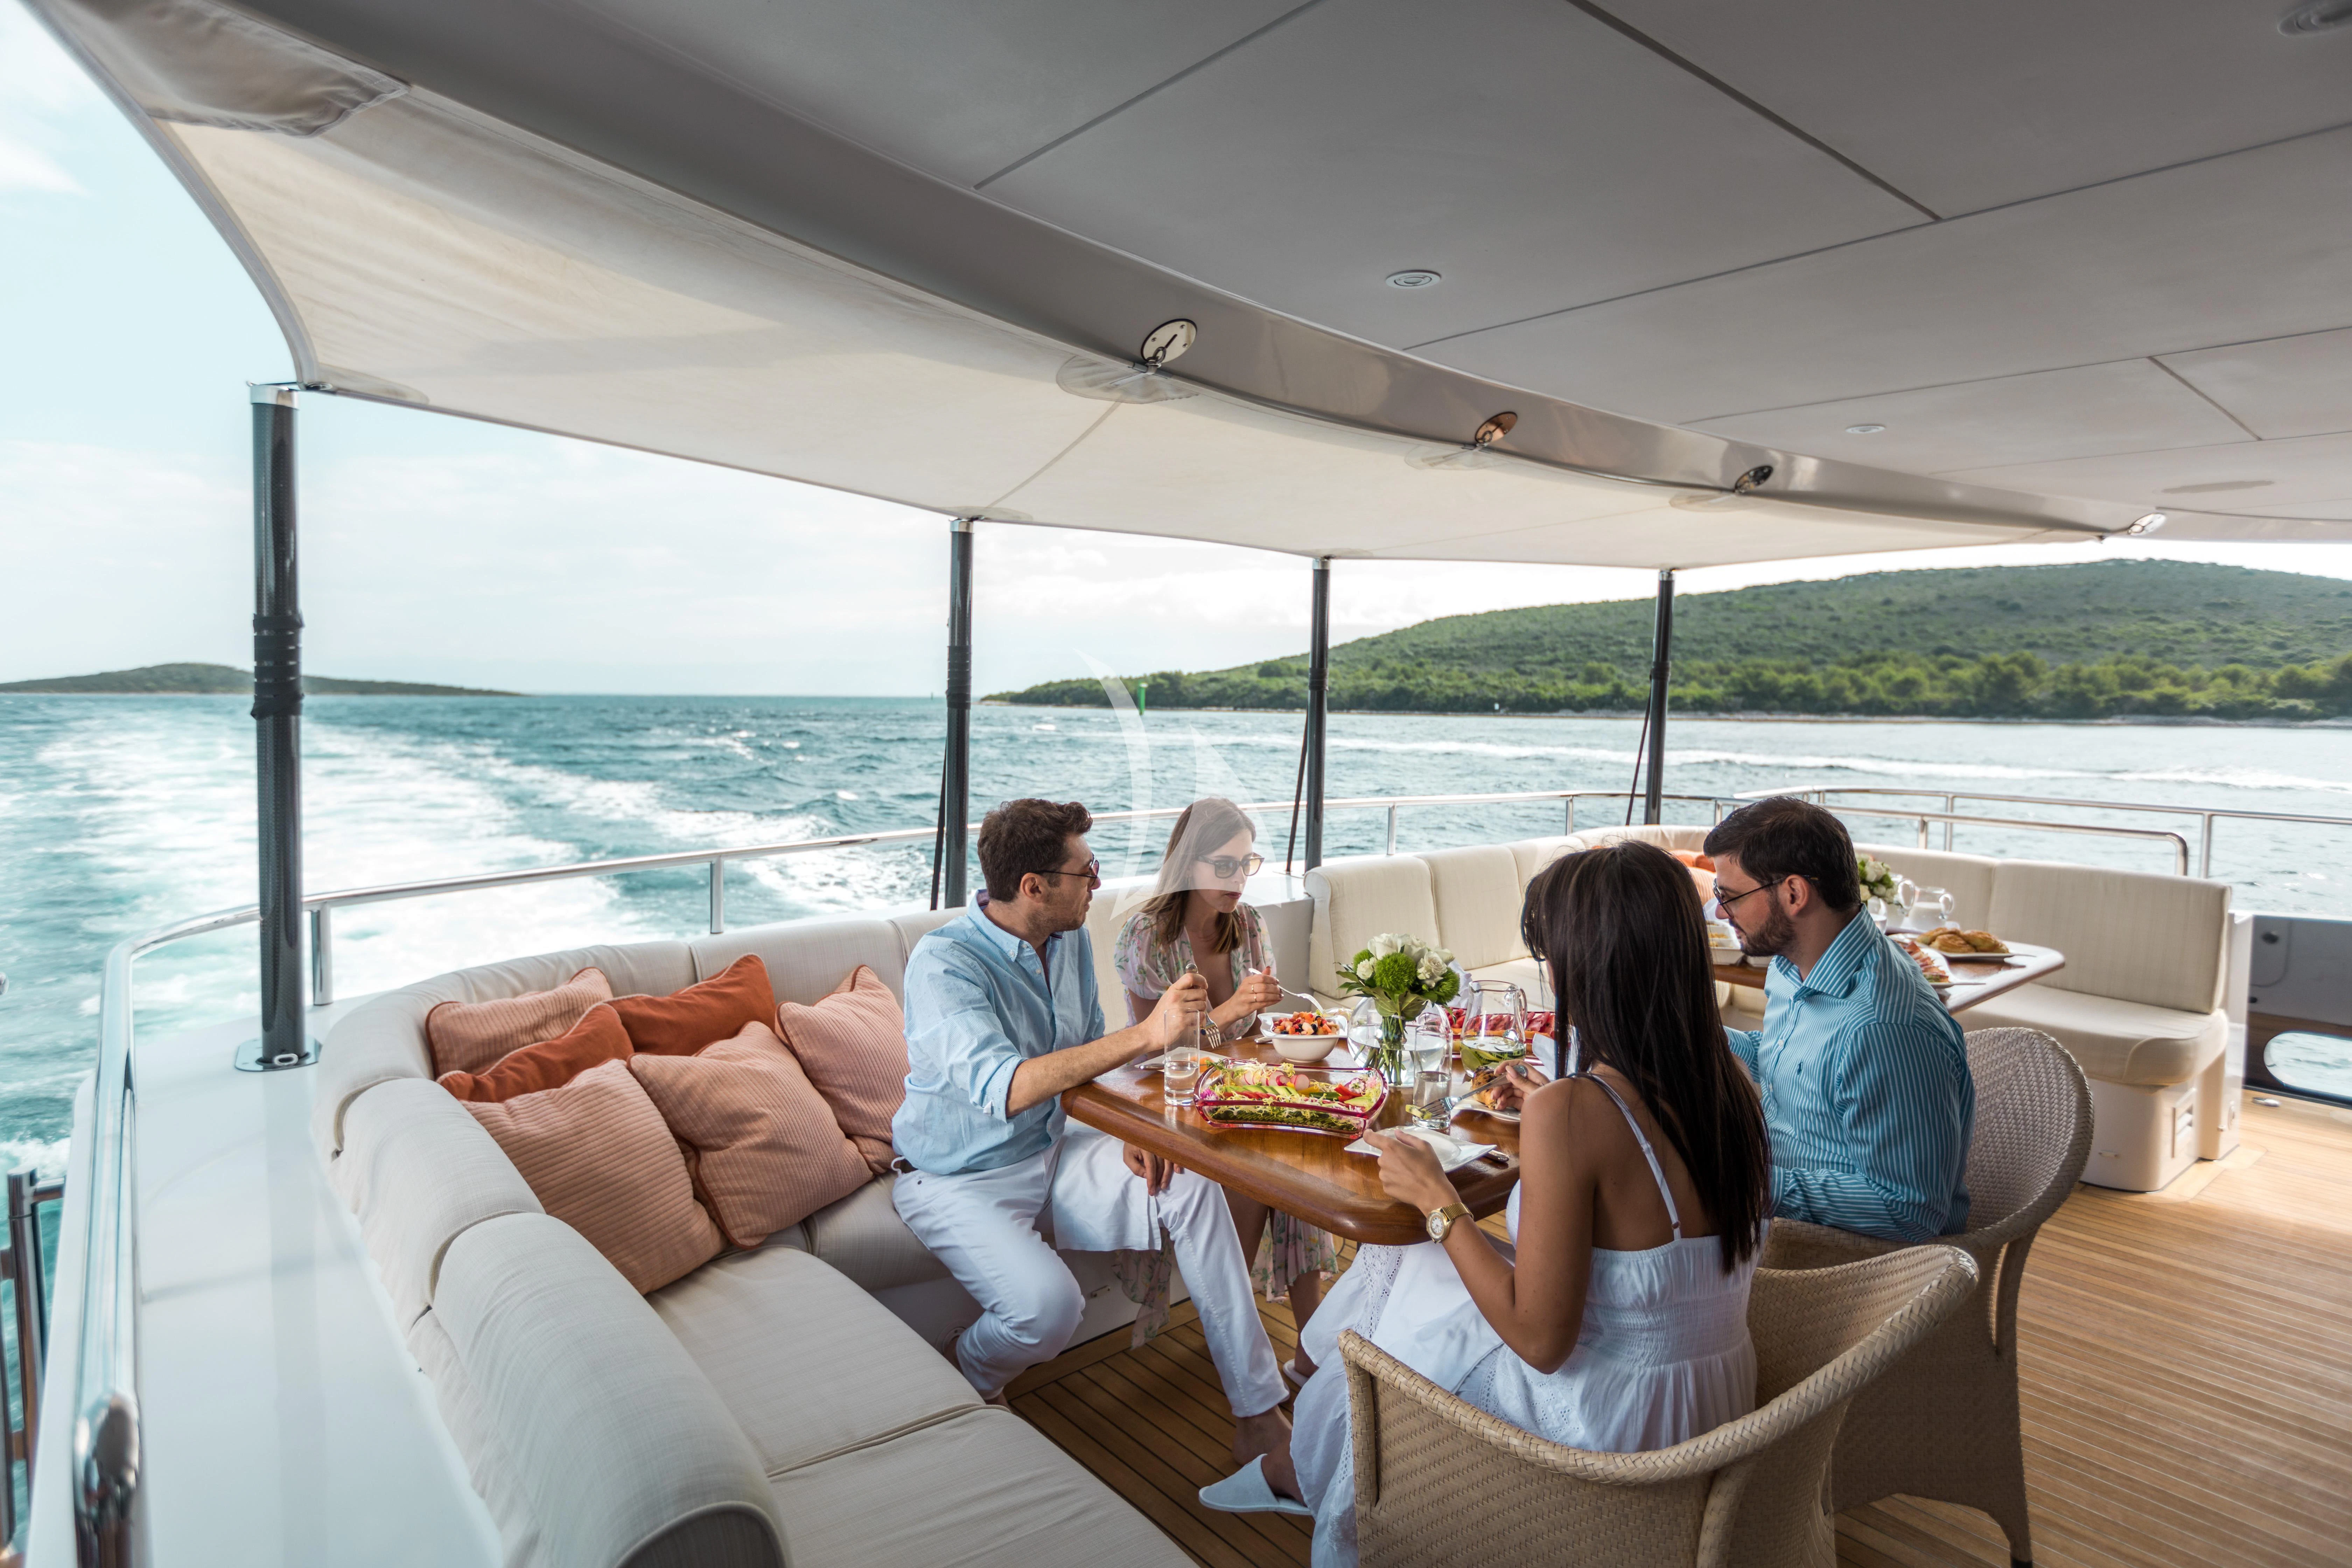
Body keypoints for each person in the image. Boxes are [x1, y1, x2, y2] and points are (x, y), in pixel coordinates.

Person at [1254, 841, 1772, 1565]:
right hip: (1711, 1409)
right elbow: (1642, 1200)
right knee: (1409, 1278)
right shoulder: (1728, 1086)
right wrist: (1551, 1116)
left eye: (1550, 953)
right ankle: (1311, 1435)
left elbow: (1541, 1341)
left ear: (1589, 962)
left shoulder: (1575, 1111)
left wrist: (1441, 1203)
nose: (1547, 971)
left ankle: (1324, 1467)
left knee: (1399, 1260)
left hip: (1611, 1443)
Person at [890, 797, 1296, 1491]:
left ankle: (1258, 1414)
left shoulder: (1070, 939)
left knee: (1191, 1178)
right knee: (1048, 1311)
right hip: (957, 1177)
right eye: (1087, 871)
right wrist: (1151, 1033)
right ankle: (967, 1367)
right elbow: (1009, 1084)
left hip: (1057, 1145)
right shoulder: (945, 963)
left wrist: (1125, 1130)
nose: (1098, 883)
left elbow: (1083, 1058)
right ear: (1034, 885)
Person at [1114, 797, 1342, 1381]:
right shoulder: (1145, 938)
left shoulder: (1250, 926)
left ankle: (1309, 1348)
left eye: (1248, 864)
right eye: (1225, 866)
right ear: (1188, 864)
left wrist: (1270, 1020)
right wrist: (1229, 1012)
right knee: (1261, 1172)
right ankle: (1244, 1348)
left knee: (1297, 1152)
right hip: (1174, 1100)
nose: (1239, 881)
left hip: (1242, 1087)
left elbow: (1259, 1034)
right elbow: (1155, 1054)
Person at [1702, 796, 1974, 1242]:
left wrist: (1748, 1184)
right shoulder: (1794, 966)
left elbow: (1910, 1209)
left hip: (1847, 1261)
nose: (1719, 911)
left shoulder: (1882, 1028)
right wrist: (1685, 1035)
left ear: (1793, 894)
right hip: (1781, 1206)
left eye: (1729, 896)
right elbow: (1781, 1061)